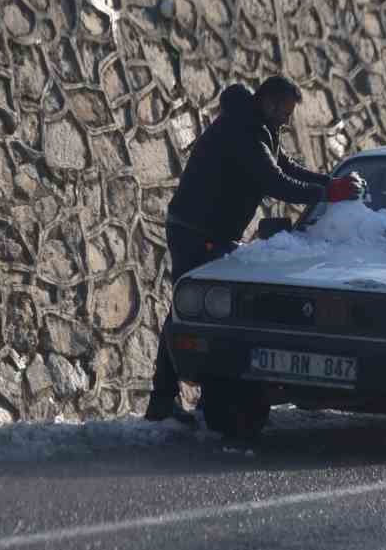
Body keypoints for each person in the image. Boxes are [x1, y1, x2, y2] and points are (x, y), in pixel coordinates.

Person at [145, 75, 364, 422]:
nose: (289, 120)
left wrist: (328, 182)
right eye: (286, 111)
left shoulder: (260, 126)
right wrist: (328, 193)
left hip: (215, 232)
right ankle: (161, 403)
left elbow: (286, 166)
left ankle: (199, 398)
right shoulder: (243, 129)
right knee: (187, 310)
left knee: (205, 311)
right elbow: (275, 181)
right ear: (270, 103)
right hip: (196, 231)